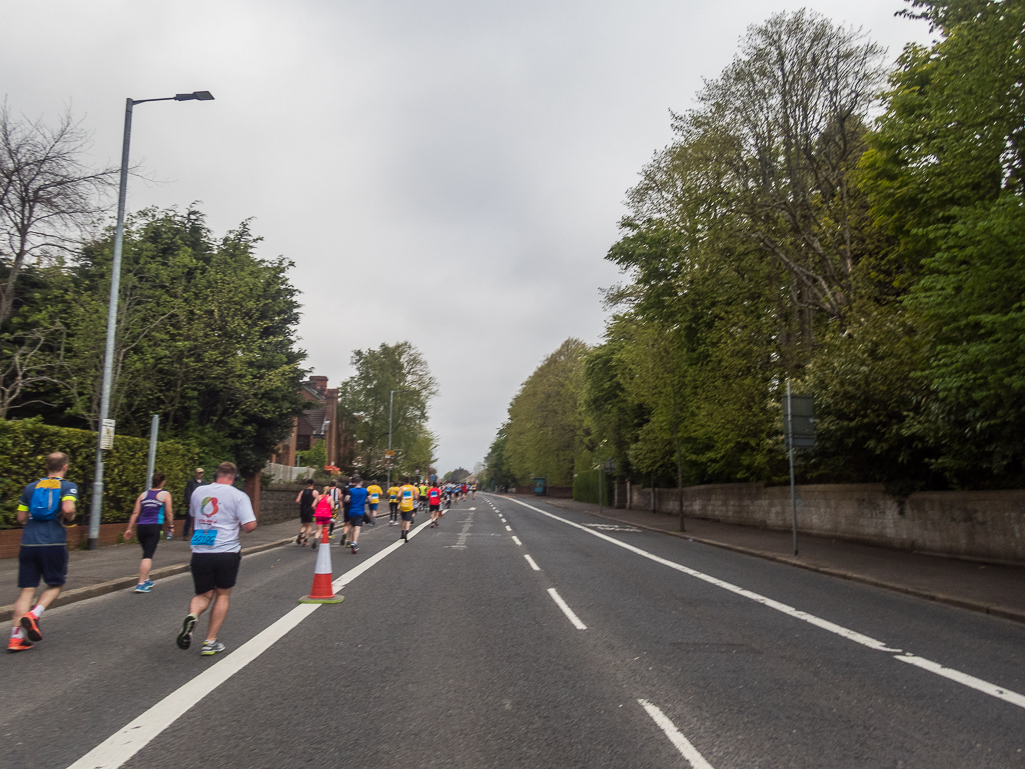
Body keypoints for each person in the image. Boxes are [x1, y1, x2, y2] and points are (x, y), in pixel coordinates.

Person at [176, 461, 257, 656]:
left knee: (203, 595)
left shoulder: (199, 492)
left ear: (216, 475)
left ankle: (193, 615)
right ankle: (210, 641)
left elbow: (195, 517)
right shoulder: (238, 496)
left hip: (200, 550)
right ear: (233, 478)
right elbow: (250, 526)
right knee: (222, 594)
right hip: (226, 551)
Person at [8, 452, 77, 653]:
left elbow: (20, 517)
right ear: (65, 467)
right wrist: (70, 517)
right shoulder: (67, 486)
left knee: (26, 590)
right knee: (56, 584)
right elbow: (68, 507)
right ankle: (34, 615)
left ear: (46, 466)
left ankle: (16, 638)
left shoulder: (30, 488)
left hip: (28, 543)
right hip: (53, 543)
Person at [124, 472, 174, 593]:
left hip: (141, 527)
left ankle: (147, 579)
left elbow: (135, 513)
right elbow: (169, 513)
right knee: (148, 555)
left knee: (146, 552)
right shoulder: (165, 494)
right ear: (163, 482)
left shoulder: (143, 495)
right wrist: (170, 526)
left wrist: (129, 528)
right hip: (154, 527)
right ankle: (141, 583)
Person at [342, 476, 368, 554]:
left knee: (352, 526)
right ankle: (354, 542)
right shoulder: (365, 490)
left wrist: (349, 501)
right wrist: (366, 501)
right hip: (360, 511)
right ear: (362, 483)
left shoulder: (351, 490)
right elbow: (369, 499)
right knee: (358, 528)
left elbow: (346, 499)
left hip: (352, 511)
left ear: (355, 483)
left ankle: (350, 540)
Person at [182, 468, 207, 539]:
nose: (199, 474)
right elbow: (188, 492)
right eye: (198, 473)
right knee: (189, 518)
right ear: (195, 473)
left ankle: (195, 533)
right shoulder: (191, 482)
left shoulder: (203, 482)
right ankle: (185, 534)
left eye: (201, 473)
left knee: (198, 519)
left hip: (200, 503)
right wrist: (189, 502)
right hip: (192, 503)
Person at [294, 478, 318, 546]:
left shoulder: (302, 491)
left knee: (304, 524)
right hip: (310, 510)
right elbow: (317, 501)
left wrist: (301, 504)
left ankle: (300, 534)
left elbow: (297, 501)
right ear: (313, 484)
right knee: (309, 525)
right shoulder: (315, 492)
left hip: (303, 509)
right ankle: (305, 541)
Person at [397, 477, 418, 542]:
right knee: (408, 521)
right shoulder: (412, 488)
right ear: (409, 481)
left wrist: (400, 499)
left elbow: (398, 495)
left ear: (404, 481)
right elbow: (416, 496)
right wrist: (412, 499)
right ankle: (406, 534)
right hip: (409, 506)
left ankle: (402, 534)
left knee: (403, 520)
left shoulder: (401, 488)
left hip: (403, 505)